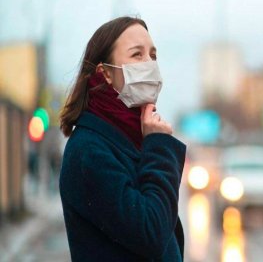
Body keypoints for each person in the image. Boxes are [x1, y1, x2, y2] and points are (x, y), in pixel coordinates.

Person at [59, 16, 186, 261]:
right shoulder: (89, 151)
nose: (149, 64)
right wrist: (159, 148)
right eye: (137, 55)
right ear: (105, 73)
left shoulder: (129, 139)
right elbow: (151, 233)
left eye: (153, 55)